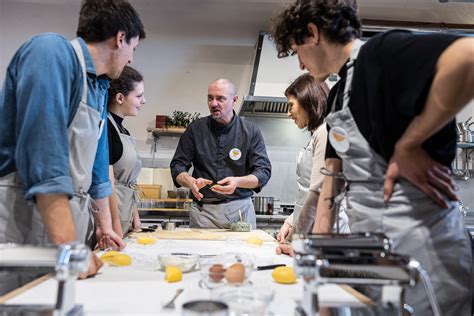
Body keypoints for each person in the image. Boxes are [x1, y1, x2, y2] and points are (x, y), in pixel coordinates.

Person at [271, 0, 473, 314]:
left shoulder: (381, 54)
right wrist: (316, 253)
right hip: (372, 256)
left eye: (297, 51)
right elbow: (330, 186)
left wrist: (410, 144)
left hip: (422, 252)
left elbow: (469, 57)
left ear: (312, 33)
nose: (300, 65)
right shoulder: (338, 97)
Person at [0, 0, 146, 281]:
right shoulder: (50, 53)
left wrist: (105, 226)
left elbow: (99, 168)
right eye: (133, 49)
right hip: (21, 221)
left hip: (67, 222)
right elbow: (45, 160)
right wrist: (69, 248)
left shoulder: (99, 86)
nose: (131, 59)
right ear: (120, 38)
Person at [170, 79, 271, 229]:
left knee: (242, 253)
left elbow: (263, 172)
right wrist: (190, 181)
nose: (213, 103)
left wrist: (238, 182)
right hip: (203, 213)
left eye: (220, 98)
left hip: (240, 212)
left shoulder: (250, 132)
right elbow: (177, 166)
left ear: (234, 100)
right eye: (210, 98)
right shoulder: (195, 129)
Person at [276, 73, 329, 242]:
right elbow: (305, 193)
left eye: (291, 106)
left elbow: (317, 193)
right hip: (308, 231)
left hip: (320, 232)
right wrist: (290, 221)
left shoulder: (326, 133)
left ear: (307, 101)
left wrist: (296, 237)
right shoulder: (315, 136)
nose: (288, 113)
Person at [107, 66, 146, 236]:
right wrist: (114, 226)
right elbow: (107, 182)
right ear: (120, 98)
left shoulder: (123, 131)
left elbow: (131, 184)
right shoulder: (106, 128)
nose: (144, 101)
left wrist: (135, 219)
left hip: (124, 216)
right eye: (138, 96)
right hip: (109, 218)